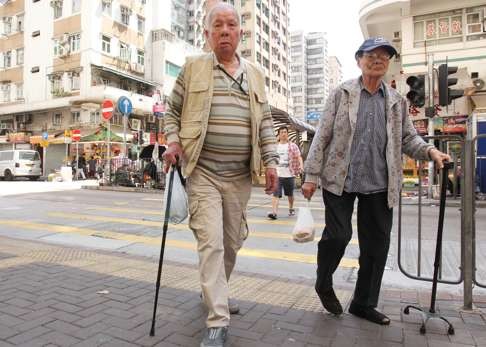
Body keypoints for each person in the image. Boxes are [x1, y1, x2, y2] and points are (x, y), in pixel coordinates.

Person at [302, 37, 451, 326]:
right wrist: (310, 176)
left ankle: (363, 303)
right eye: (372, 55)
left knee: (377, 246)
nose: (378, 59)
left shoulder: (396, 102)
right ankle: (323, 281)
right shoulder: (342, 93)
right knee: (338, 236)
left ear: (389, 63)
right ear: (359, 59)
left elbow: (408, 138)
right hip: (339, 179)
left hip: (380, 183)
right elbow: (323, 135)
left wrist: (431, 151)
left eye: (385, 55)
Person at [162, 3, 278, 346]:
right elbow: (172, 111)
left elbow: (266, 122)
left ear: (240, 33)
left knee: (232, 243)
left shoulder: (256, 74)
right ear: (207, 33)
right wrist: (173, 141)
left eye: (232, 24)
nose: (225, 30)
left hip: (240, 176)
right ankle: (218, 319)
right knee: (210, 244)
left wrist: (271, 161)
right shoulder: (193, 67)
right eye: (218, 25)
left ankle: (213, 292)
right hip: (203, 173)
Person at [268, 126, 303, 219]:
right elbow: (271, 159)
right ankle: (274, 213)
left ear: (287, 134)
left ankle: (291, 208)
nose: (283, 134)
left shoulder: (293, 146)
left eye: (285, 132)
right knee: (276, 194)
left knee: (290, 194)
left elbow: (299, 156)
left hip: (289, 174)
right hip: (277, 174)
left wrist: (301, 167)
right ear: (279, 135)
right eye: (282, 132)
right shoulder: (275, 146)